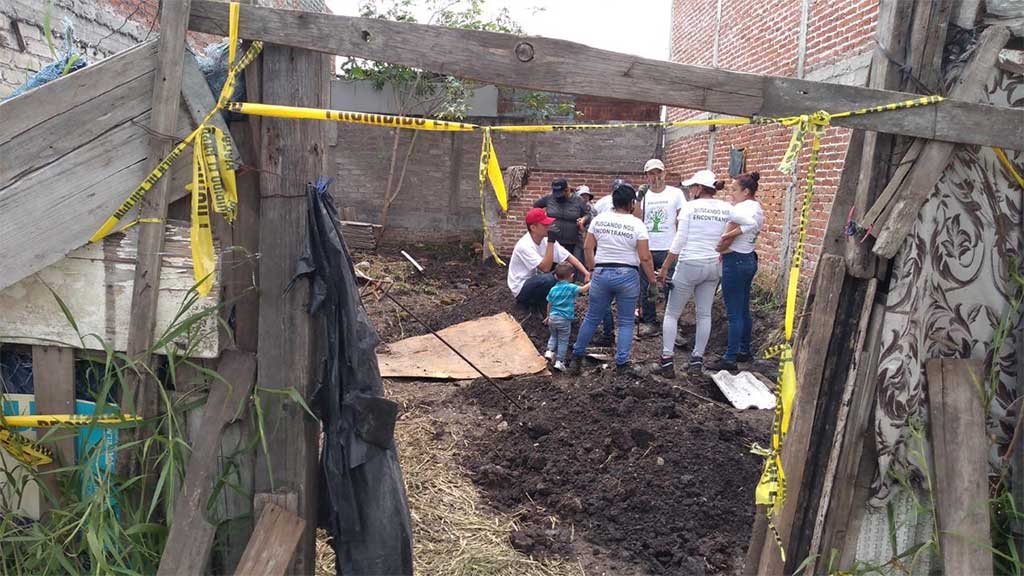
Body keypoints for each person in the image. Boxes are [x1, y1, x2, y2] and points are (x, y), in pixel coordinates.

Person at [657, 170, 756, 377]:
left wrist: (666, 267)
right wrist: (727, 237)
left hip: (689, 264)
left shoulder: (689, 207)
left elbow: (679, 239)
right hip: (713, 266)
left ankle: (666, 361)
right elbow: (751, 223)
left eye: (692, 186)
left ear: (699, 189)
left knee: (672, 313)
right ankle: (696, 360)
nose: (690, 189)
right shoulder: (726, 208)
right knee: (704, 314)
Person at [568, 182, 657, 375]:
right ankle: (622, 364)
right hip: (627, 275)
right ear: (631, 203)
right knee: (625, 322)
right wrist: (652, 281)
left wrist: (592, 268)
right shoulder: (637, 224)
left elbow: (587, 247)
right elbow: (645, 257)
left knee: (592, 317)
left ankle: (576, 358)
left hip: (602, 273)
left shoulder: (600, 220)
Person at [713, 172, 765, 371]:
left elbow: (730, 235)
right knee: (743, 308)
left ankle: (729, 357)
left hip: (734, 260)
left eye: (735, 190)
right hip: (749, 258)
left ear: (746, 191)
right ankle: (744, 349)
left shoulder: (742, 208)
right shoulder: (757, 208)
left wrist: (721, 245)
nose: (731, 194)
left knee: (734, 312)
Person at [636, 159, 687, 337]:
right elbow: (636, 219)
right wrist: (638, 200)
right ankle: (650, 322)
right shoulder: (642, 196)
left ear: (664, 173)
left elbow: (682, 218)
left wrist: (680, 243)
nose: (655, 176)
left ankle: (672, 323)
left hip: (669, 247)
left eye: (658, 172)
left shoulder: (675, 194)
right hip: (647, 247)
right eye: (651, 173)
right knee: (646, 286)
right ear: (646, 176)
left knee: (672, 285)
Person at [507, 208, 589, 307]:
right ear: (533, 227)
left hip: (536, 280)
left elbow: (568, 256)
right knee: (549, 279)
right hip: (521, 288)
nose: (548, 227)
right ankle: (535, 304)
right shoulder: (524, 245)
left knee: (567, 271)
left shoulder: (545, 239)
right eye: (544, 225)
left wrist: (586, 273)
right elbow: (545, 268)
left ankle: (558, 298)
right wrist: (551, 241)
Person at [544, 262, 591, 371]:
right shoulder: (570, 287)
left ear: (556, 276)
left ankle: (550, 351)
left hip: (552, 318)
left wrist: (548, 317)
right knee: (563, 340)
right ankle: (560, 361)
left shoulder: (553, 289)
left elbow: (549, 304)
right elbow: (583, 290)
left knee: (553, 336)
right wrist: (592, 282)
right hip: (564, 319)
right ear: (572, 276)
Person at [533, 179, 590, 261]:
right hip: (553, 241)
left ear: (567, 190)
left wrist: (584, 219)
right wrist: (543, 219)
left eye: (560, 194)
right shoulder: (549, 198)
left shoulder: (578, 200)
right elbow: (535, 207)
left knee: (574, 267)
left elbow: (588, 214)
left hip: (573, 242)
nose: (558, 197)